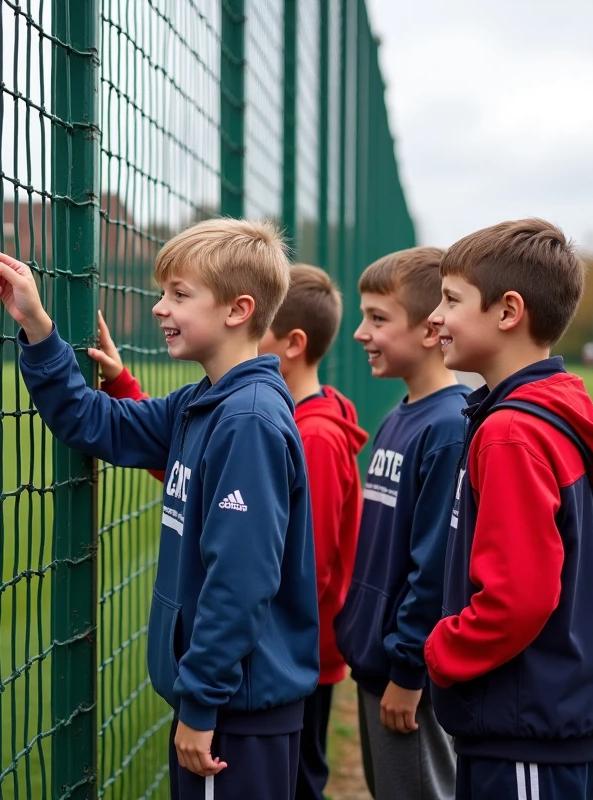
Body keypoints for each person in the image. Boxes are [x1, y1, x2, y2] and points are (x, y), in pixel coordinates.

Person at [0, 218, 320, 800]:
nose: (160, 307)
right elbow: (93, 421)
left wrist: (202, 703)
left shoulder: (247, 421)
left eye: (180, 295)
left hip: (231, 713)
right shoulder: (203, 403)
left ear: (238, 310)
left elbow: (240, 581)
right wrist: (37, 325)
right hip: (220, 704)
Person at [91, 265, 369, 800]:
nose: (162, 306)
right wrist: (125, 388)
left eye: (179, 294)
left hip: (261, 666)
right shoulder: (249, 409)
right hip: (254, 664)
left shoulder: (281, 427)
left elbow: (267, 570)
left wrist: (206, 691)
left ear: (289, 341)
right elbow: (199, 473)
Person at [424, 219, 593, 800]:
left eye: (452, 299)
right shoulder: (516, 416)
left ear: (508, 311)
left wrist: (441, 649)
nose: (435, 316)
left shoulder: (512, 432)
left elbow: (518, 598)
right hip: (524, 721)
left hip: (524, 729)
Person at [333, 247, 466, 800]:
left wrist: (408, 672)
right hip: (377, 661)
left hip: (407, 676)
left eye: (378, 318)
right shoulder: (400, 415)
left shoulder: (450, 427)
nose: (360, 332)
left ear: (432, 329)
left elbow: (435, 568)